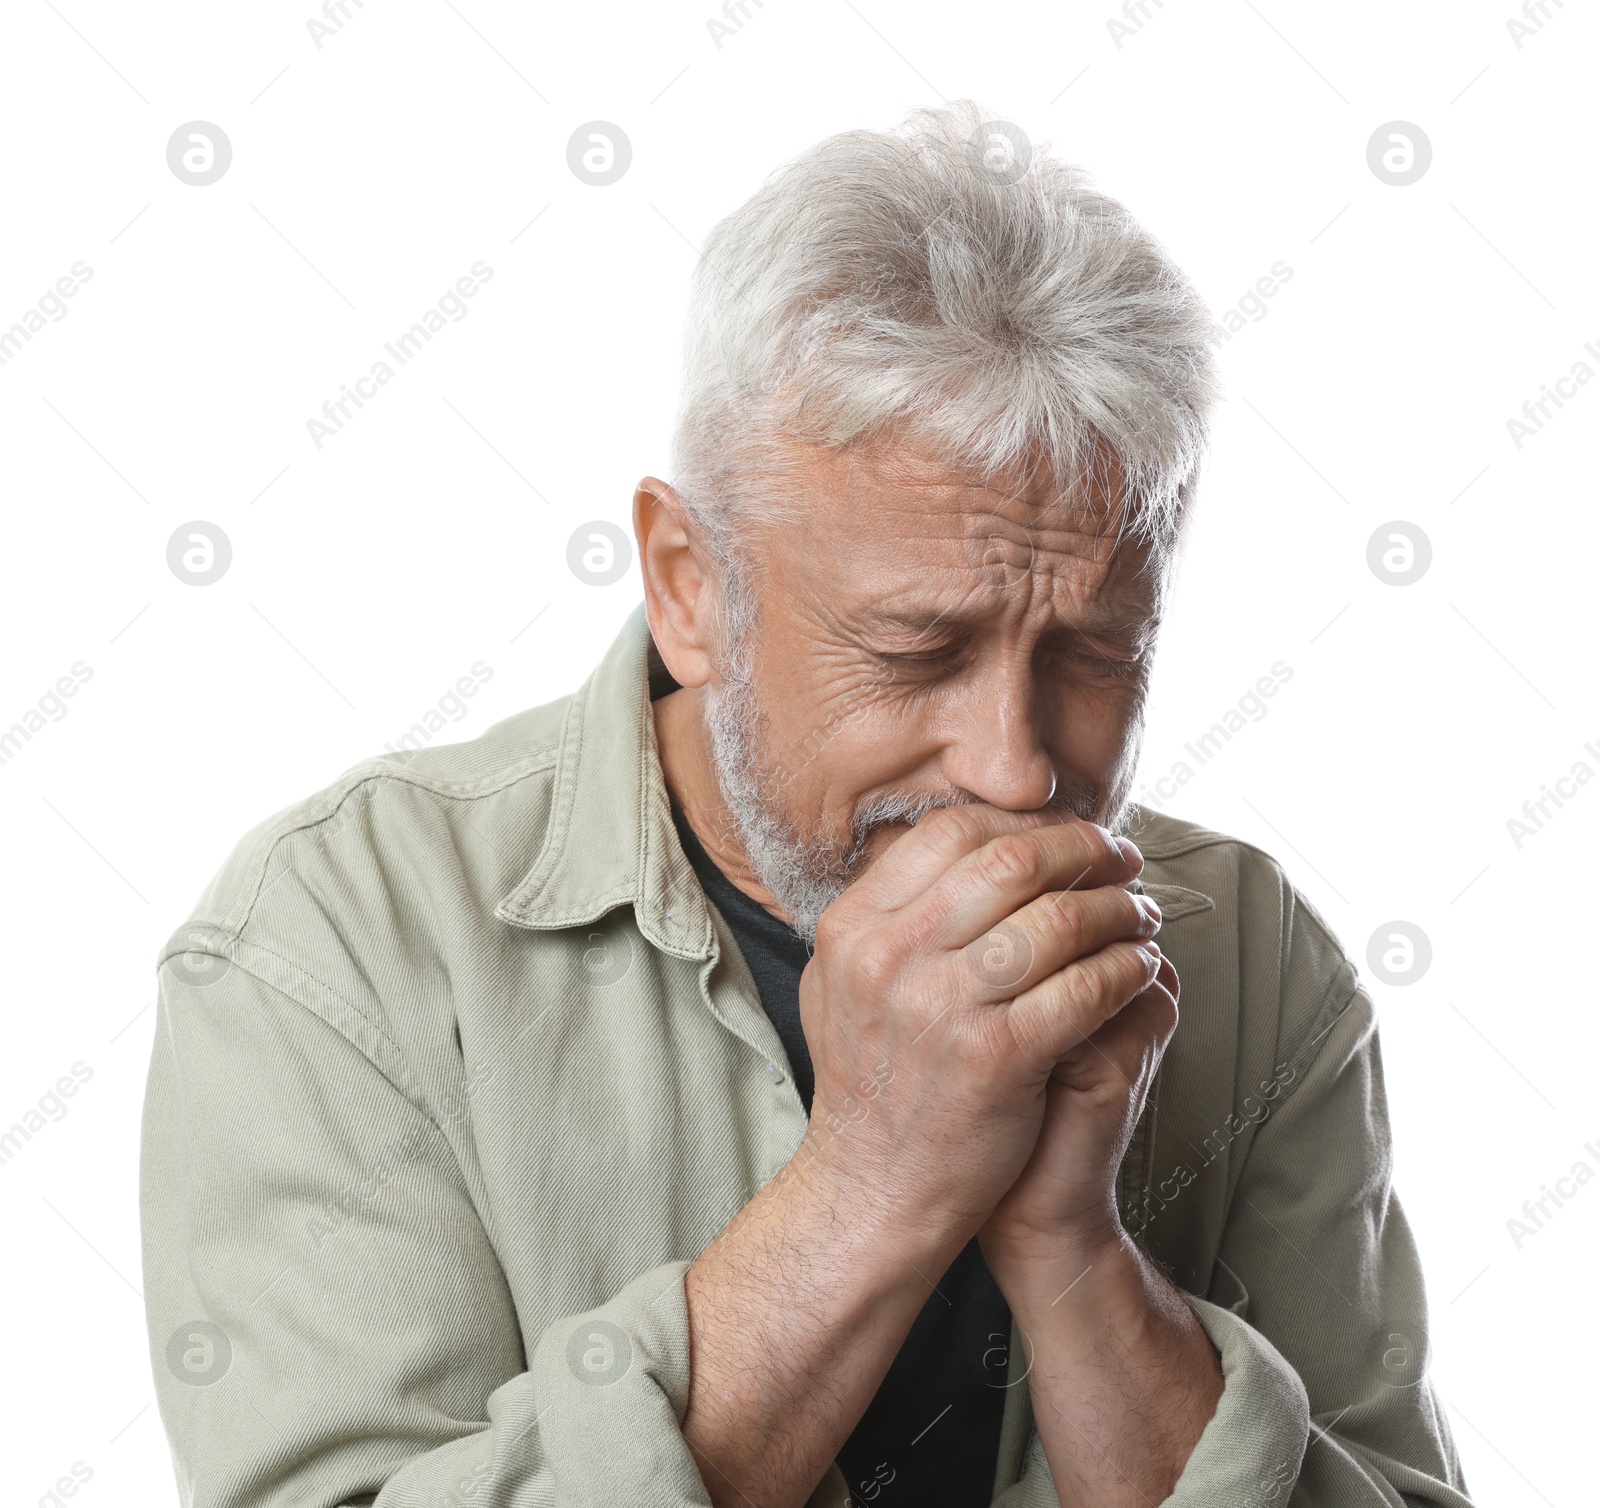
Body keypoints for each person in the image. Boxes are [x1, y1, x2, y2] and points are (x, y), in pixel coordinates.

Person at [141, 102, 1473, 1507]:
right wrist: (874, 1184)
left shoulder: (1254, 958)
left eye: (1094, 654)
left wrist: (1080, 1257)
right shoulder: (334, 943)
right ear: (688, 586)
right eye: (915, 651)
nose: (1014, 769)